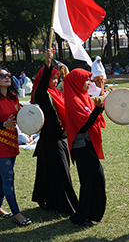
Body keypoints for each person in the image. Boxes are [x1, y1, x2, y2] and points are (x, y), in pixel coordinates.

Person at [30, 49, 78, 214]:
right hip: (51, 140)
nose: (56, 81)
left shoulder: (59, 93)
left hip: (62, 138)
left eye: (57, 78)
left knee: (50, 172)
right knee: (60, 173)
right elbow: (43, 83)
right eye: (53, 78)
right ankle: (68, 206)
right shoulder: (41, 94)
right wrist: (48, 64)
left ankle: (48, 200)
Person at [64, 68, 106, 226]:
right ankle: (81, 217)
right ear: (76, 82)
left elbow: (93, 117)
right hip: (81, 147)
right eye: (86, 80)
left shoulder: (84, 97)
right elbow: (82, 126)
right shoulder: (74, 101)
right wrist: (98, 109)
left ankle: (90, 214)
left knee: (96, 180)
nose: (89, 83)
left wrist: (100, 105)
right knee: (89, 182)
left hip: (88, 145)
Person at [0, 68, 31, 226]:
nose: (7, 77)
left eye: (9, 75)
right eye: (2, 75)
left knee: (1, 180)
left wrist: (31, 125)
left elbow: (20, 116)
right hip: (0, 146)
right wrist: (3, 124)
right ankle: (17, 214)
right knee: (8, 180)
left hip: (11, 143)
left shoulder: (13, 97)